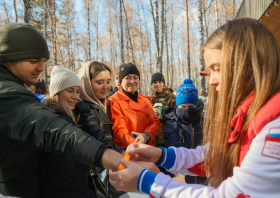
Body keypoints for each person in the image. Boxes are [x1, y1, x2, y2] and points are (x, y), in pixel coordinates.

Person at [108, 18, 280, 197]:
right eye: (209, 72)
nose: (212, 81)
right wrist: (160, 155)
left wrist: (150, 182)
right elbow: (210, 156)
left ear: (247, 65)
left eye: (217, 69)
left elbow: (235, 194)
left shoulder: (273, 129)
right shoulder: (249, 117)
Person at [0, 23, 157, 197]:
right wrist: (119, 161)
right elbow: (55, 132)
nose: (41, 67)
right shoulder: (7, 94)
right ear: (8, 58)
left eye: (43, 61)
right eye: (33, 61)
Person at [39, 66, 96, 197]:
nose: (75, 97)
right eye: (70, 91)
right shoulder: (60, 122)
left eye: (78, 91)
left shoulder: (53, 115)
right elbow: (65, 175)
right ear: (57, 92)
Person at [77, 60, 125, 197]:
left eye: (108, 81)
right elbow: (100, 139)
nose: (106, 87)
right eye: (99, 82)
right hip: (99, 174)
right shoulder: (86, 109)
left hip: (107, 169)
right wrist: (122, 153)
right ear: (87, 83)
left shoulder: (99, 104)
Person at [107, 63, 161, 148]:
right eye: (127, 78)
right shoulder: (114, 101)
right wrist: (137, 146)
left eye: (135, 77)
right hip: (129, 150)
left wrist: (146, 135)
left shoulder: (145, 100)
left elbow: (156, 122)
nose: (132, 81)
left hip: (150, 147)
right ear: (121, 81)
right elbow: (119, 130)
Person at [162, 78, 205, 184]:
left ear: (196, 106)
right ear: (177, 106)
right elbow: (173, 145)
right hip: (181, 175)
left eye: (191, 107)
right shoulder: (171, 123)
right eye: (183, 107)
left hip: (203, 175)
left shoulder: (204, 122)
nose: (187, 109)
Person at [149, 72, 176, 147]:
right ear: (152, 84)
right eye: (155, 82)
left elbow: (175, 116)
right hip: (152, 138)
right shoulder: (149, 99)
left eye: (159, 82)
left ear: (163, 83)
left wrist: (162, 116)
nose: (157, 85)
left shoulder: (171, 98)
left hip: (166, 137)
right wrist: (150, 113)